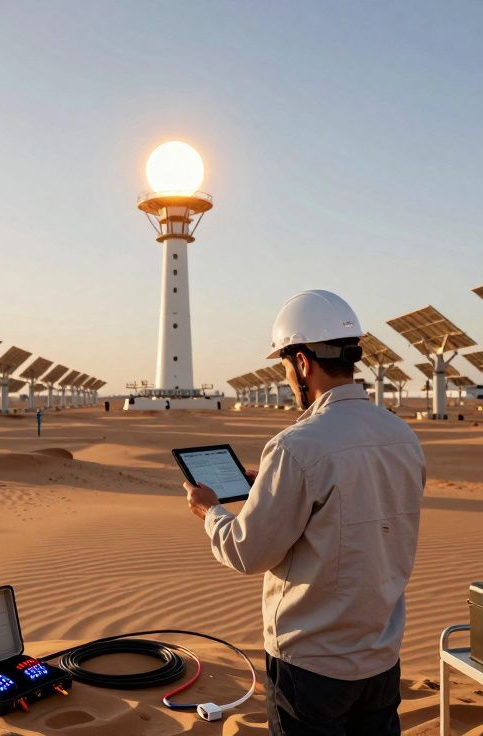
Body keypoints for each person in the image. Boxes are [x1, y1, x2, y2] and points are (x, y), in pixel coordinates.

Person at [184, 290, 426, 736]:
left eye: (284, 366)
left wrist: (211, 510)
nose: (287, 378)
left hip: (311, 666)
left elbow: (246, 552)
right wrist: (274, 485)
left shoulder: (297, 446)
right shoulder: (401, 436)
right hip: (380, 657)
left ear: (302, 362)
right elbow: (356, 507)